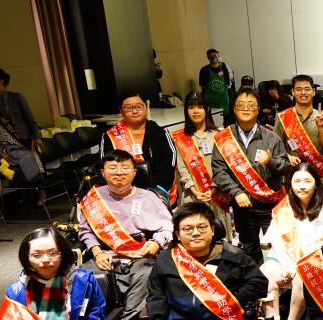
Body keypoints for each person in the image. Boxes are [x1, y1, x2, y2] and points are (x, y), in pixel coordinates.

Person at [78, 149, 172, 320]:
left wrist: (155, 243)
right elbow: (85, 232)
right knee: (81, 277)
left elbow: (167, 227)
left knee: (149, 274)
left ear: (135, 172)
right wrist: (97, 253)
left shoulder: (149, 197)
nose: (119, 172)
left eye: (125, 168)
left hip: (140, 254)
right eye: (112, 168)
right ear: (103, 172)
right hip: (105, 253)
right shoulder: (93, 198)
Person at [259, 164, 323, 320]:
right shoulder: (283, 207)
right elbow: (275, 241)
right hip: (285, 259)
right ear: (290, 184)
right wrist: (286, 265)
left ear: (316, 184)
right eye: (297, 181)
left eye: (307, 181)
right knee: (264, 274)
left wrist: (297, 265)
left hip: (313, 260)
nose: (302, 186)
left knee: (303, 274)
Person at [212, 87, 292, 264]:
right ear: (234, 109)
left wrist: (271, 162)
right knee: (250, 250)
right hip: (243, 206)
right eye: (241, 105)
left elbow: (286, 167)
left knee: (280, 246)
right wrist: (236, 192)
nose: (246, 108)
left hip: (270, 204)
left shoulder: (271, 137)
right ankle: (256, 279)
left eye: (251, 105)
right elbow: (218, 171)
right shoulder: (224, 138)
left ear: (258, 109)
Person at [170, 92, 230, 235]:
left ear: (207, 109)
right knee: (193, 233)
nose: (195, 111)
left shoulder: (219, 134)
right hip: (192, 194)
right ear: (186, 111)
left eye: (200, 107)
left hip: (216, 193)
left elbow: (225, 165)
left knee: (218, 232)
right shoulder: (180, 137)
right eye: (191, 107)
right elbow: (182, 168)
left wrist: (214, 189)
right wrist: (195, 191)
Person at [101, 92, 177, 198]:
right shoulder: (110, 136)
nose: (134, 111)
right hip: (123, 193)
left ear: (146, 107)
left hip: (157, 190)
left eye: (139, 106)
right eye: (128, 108)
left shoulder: (160, 132)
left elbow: (169, 163)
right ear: (121, 111)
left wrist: (153, 190)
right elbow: (106, 166)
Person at [0, 66, 44, 183]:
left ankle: (38, 189)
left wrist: (37, 137)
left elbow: (29, 117)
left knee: (29, 164)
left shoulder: (17, 97)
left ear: (1, 80)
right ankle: (22, 189)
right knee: (13, 166)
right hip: (1, 138)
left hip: (20, 135)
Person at [274, 74, 323, 179]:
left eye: (307, 89)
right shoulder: (283, 117)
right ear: (293, 92)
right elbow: (275, 147)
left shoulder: (321, 117)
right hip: (292, 175)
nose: (303, 93)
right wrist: (287, 156)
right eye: (299, 89)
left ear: (313, 92)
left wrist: (321, 128)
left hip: (317, 175)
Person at [198, 48, 234, 121]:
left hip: (223, 100)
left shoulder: (223, 66)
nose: (213, 58)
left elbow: (227, 83)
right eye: (211, 56)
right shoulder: (204, 70)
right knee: (214, 121)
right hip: (211, 101)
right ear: (208, 57)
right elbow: (203, 86)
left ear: (218, 55)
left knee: (226, 120)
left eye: (215, 55)